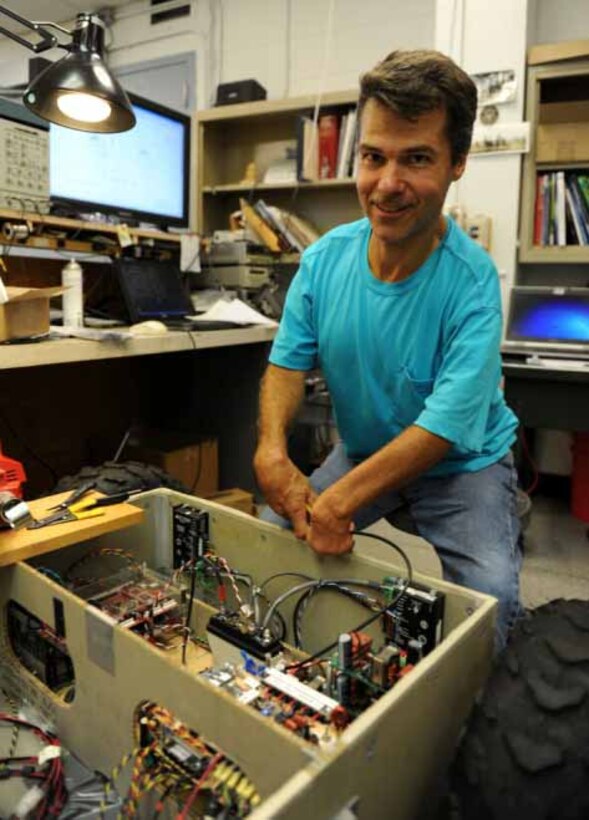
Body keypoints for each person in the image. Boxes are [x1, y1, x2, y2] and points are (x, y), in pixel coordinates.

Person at [253, 49, 522, 651]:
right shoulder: (323, 260)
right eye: (374, 157)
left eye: (417, 159)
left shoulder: (473, 281)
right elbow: (286, 365)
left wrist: (339, 500)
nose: (388, 184)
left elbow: (444, 428)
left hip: (462, 466)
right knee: (269, 543)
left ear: (458, 164)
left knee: (492, 599)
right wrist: (271, 449)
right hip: (367, 450)